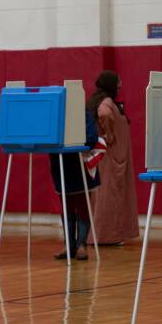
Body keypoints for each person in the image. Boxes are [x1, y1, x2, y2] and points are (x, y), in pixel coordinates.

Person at [88, 71, 140, 246]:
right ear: (110, 84)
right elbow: (104, 114)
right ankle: (107, 236)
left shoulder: (100, 100)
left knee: (105, 195)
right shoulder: (107, 102)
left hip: (111, 156)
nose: (120, 85)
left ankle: (104, 234)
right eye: (118, 82)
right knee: (109, 196)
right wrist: (109, 136)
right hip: (111, 157)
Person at [50, 108, 100, 261]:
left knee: (82, 207)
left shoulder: (83, 113)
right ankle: (69, 245)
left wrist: (72, 140)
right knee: (66, 207)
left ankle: (81, 245)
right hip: (60, 165)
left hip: (79, 166)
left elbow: (92, 138)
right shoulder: (54, 114)